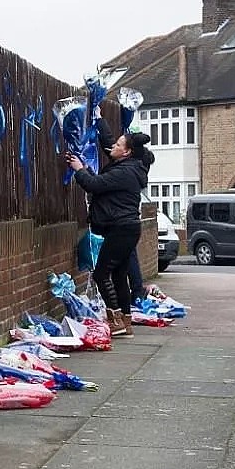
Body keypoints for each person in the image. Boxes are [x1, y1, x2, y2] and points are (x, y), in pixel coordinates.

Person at [66, 132, 152, 337]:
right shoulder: (128, 168)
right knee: (119, 276)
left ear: (127, 152)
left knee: (101, 274)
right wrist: (85, 168)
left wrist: (79, 170)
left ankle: (115, 322)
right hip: (126, 228)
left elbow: (94, 185)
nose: (113, 145)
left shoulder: (124, 171)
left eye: (118, 144)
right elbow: (103, 181)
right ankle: (125, 322)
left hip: (121, 229)